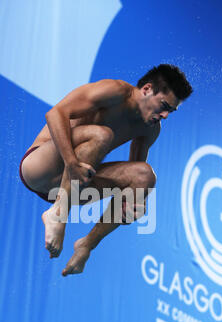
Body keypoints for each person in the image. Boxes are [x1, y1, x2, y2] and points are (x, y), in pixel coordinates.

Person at [19, 64, 193, 276]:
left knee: (145, 176)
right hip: (41, 167)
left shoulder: (151, 129)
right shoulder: (115, 91)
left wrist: (131, 206)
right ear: (147, 89)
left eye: (171, 111)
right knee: (102, 135)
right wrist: (71, 162)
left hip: (75, 182)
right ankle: (58, 213)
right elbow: (55, 113)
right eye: (164, 105)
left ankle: (86, 245)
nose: (165, 115)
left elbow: (132, 180)